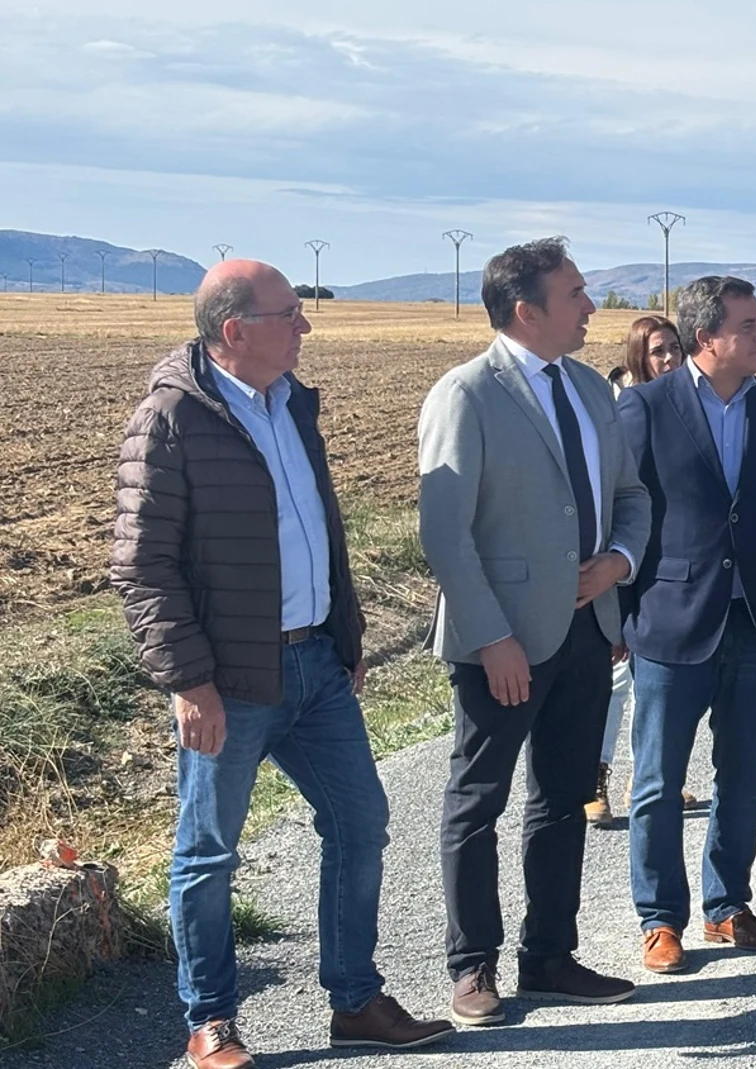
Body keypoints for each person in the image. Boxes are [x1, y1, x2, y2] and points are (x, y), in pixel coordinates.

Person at [111, 260, 452, 1068]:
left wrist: (346, 633)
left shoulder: (292, 403)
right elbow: (142, 565)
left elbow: (319, 528)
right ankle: (211, 1021)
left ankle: (356, 998)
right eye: (290, 313)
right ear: (236, 331)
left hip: (315, 668)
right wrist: (189, 682)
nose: (306, 326)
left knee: (360, 820)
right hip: (227, 680)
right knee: (208, 851)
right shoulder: (170, 419)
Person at [418, 237, 650, 1026]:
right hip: (504, 641)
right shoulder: (466, 394)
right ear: (528, 309)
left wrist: (618, 562)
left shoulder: (590, 389)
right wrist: (491, 637)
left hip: (587, 629)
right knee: (477, 800)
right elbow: (447, 535)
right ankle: (471, 966)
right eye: (577, 293)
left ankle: (549, 953)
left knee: (562, 796)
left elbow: (633, 497)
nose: (591, 306)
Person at [617, 276, 756, 973]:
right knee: (656, 780)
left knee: (746, 774)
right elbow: (625, 516)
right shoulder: (647, 406)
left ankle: (726, 903)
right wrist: (620, 616)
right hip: (671, 622)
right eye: (748, 326)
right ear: (707, 338)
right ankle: (660, 918)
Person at [588, 314, 692, 827]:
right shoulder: (628, 408)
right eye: (658, 351)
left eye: (675, 348)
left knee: (660, 688)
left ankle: (652, 776)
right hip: (631, 565)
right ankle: (595, 777)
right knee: (619, 682)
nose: (670, 359)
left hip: (676, 567)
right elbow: (619, 497)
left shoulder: (690, 404)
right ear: (637, 357)